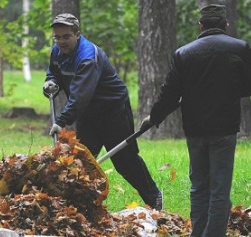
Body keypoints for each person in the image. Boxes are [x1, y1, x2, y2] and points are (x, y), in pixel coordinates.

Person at [141, 4, 251, 237]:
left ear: (201, 25)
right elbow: (250, 86)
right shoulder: (239, 48)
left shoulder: (184, 53)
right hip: (225, 127)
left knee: (199, 187)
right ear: (225, 24)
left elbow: (170, 93)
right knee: (219, 187)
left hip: (195, 128)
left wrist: (154, 118)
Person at [43, 13, 163, 210]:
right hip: (88, 114)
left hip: (112, 111)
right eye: (57, 37)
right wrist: (51, 82)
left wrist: (62, 120)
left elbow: (80, 97)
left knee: (124, 161)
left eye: (66, 36)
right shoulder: (57, 51)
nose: (61, 42)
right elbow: (53, 72)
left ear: (77, 34)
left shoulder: (88, 57)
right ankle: (80, 206)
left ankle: (154, 197)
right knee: (82, 161)